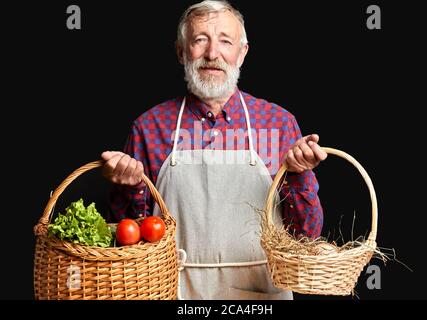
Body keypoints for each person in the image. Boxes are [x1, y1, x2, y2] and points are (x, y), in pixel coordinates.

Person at [101, 0, 327, 300]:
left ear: (242, 53)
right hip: (174, 293)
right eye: (199, 40)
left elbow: (306, 235)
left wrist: (298, 175)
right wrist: (126, 186)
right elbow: (129, 240)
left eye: (225, 41)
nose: (212, 54)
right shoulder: (149, 126)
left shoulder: (279, 124)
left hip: (259, 295)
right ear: (182, 52)